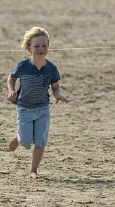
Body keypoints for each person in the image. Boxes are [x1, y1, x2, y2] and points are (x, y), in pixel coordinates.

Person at [7, 27, 69, 179]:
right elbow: (11, 78)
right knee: (26, 142)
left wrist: (58, 94)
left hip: (43, 108)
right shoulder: (23, 66)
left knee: (41, 141)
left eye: (44, 46)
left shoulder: (51, 68)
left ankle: (33, 171)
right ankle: (19, 137)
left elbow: (55, 86)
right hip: (25, 108)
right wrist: (11, 90)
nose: (41, 49)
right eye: (37, 46)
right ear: (29, 49)